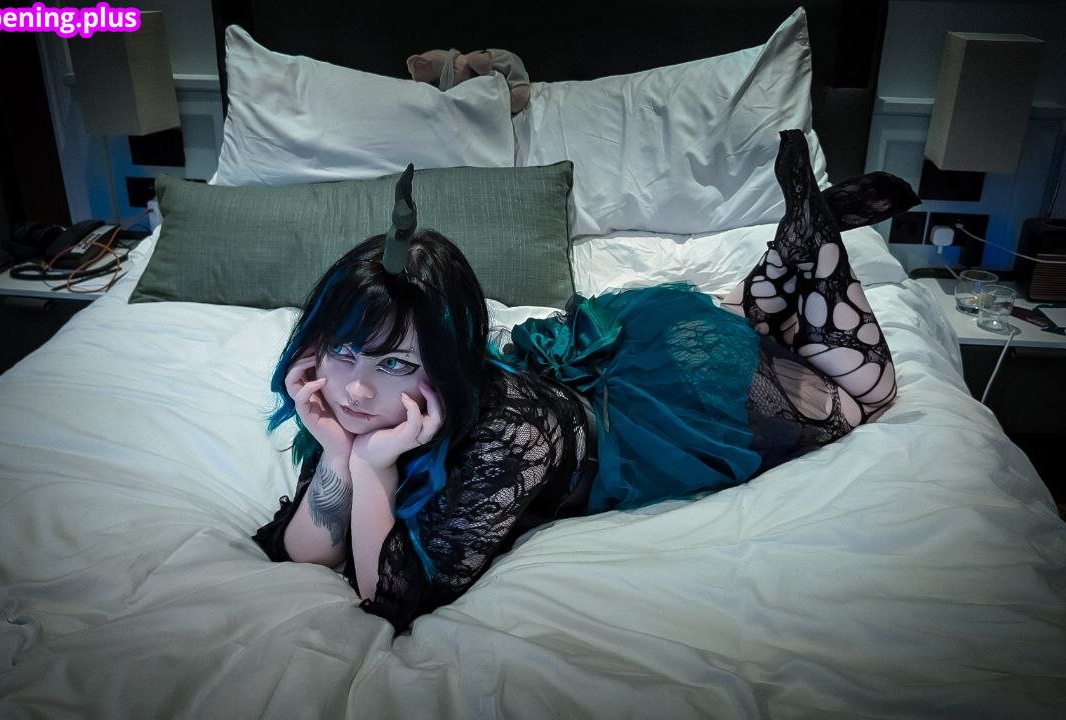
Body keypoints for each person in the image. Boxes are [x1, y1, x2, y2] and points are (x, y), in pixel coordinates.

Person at [253, 130, 919, 632]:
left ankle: (808, 252)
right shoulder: (347, 403)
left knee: (867, 399)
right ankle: (783, 263)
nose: (356, 390)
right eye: (344, 351)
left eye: (395, 363)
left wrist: (372, 469)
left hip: (657, 404)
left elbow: (390, 597)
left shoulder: (507, 435)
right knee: (773, 343)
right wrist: (338, 456)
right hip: (591, 370)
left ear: (446, 361)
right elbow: (303, 555)